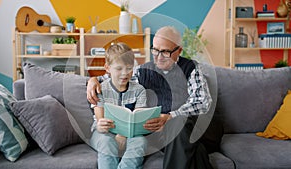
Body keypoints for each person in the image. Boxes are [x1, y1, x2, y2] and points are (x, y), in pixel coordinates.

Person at [87, 26, 213, 169]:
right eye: (155, 50)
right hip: (161, 135)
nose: (158, 56)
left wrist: (170, 116)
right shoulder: (144, 71)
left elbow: (202, 102)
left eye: (165, 52)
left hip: (191, 128)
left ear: (179, 51)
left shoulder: (191, 68)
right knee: (198, 151)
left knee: (179, 124)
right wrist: (93, 80)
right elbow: (117, 76)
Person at [89, 42, 148, 169]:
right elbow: (101, 121)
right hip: (103, 133)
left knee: (141, 142)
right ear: (107, 68)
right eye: (119, 68)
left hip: (131, 134)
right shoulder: (100, 89)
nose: (124, 73)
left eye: (129, 68)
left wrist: (123, 135)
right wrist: (102, 126)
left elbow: (137, 120)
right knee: (106, 142)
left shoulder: (139, 90)